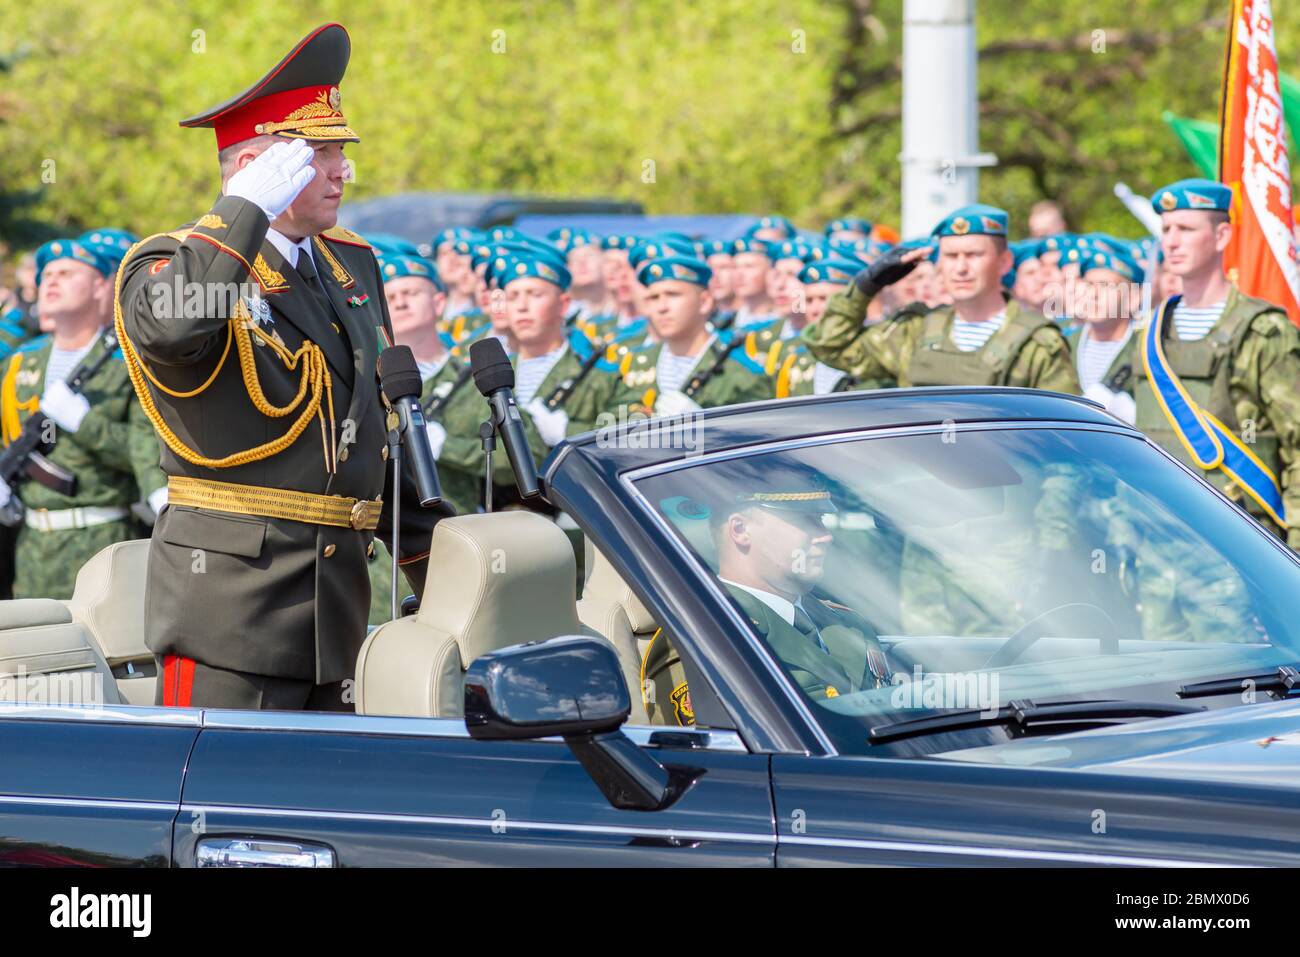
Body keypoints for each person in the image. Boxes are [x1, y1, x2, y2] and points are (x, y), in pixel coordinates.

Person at [114, 23, 450, 710]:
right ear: (256, 171)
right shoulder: (168, 263)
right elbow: (173, 328)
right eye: (318, 153)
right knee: (218, 808)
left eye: (340, 151)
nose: (340, 170)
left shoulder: (349, 263)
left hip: (338, 617)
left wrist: (447, 581)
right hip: (230, 620)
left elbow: (373, 433)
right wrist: (240, 212)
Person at [644, 471, 890, 723]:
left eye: (821, 518)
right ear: (740, 530)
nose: (826, 535)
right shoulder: (705, 637)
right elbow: (712, 757)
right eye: (806, 520)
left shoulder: (850, 623)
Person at [1136, 178, 1300, 549]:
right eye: (1166, 229)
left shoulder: (1262, 330)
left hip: (1239, 543)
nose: (1172, 241)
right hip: (1155, 541)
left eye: (1186, 229)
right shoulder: (1149, 334)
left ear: (1222, 236)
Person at [0, 239, 165, 599]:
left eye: (67, 273)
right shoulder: (19, 364)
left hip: (103, 545)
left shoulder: (128, 365)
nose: (52, 281)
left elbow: (146, 455)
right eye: (47, 275)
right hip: (31, 550)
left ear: (101, 287)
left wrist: (84, 422)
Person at [802, 204, 1081, 394]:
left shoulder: (1038, 344)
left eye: (973, 255)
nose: (960, 268)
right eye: (950, 256)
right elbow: (830, 345)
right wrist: (867, 284)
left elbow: (1065, 445)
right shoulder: (915, 331)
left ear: (1005, 261)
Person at [426, 250, 623, 512]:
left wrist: (570, 432)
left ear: (563, 305)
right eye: (513, 296)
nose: (521, 306)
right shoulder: (481, 376)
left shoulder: (600, 376)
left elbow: (624, 444)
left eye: (535, 294)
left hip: (577, 515)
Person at [609, 254, 772, 417]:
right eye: (654, 297)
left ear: (704, 302)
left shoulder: (740, 371)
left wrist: (708, 427)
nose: (661, 307)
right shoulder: (635, 363)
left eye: (673, 295)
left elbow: (764, 433)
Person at [1072, 249, 1143, 423]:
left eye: (1106, 286)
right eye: (1088, 285)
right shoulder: (1063, 345)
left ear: (1133, 297)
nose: (1094, 294)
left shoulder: (1146, 348)